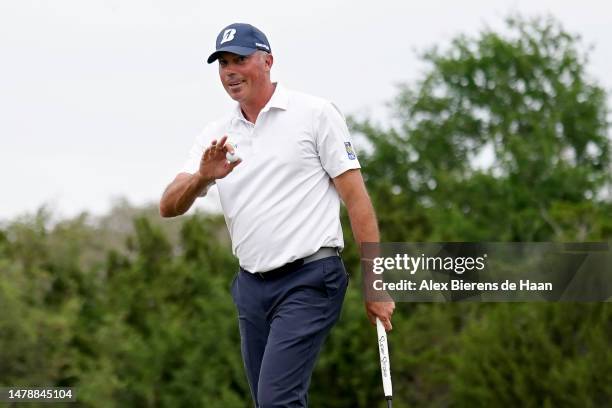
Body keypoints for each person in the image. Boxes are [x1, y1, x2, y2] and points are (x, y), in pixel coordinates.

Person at [159, 22, 394, 407]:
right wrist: (203, 176)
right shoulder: (216, 135)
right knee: (269, 402)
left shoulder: (315, 114)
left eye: (240, 60)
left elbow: (357, 200)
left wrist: (375, 281)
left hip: (310, 278)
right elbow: (169, 206)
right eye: (223, 64)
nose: (230, 71)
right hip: (251, 287)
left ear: (267, 61)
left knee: (276, 401)